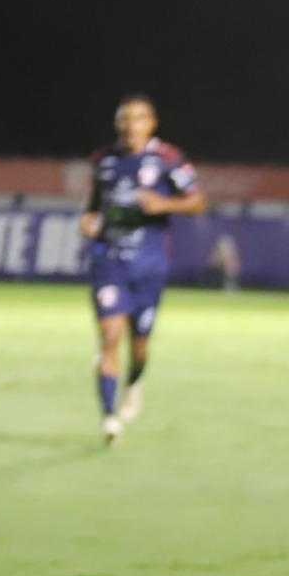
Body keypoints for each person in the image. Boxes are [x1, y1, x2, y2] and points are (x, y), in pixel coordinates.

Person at [80, 95, 206, 446]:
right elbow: (93, 206)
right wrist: (89, 222)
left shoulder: (168, 159)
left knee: (139, 347)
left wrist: (164, 204)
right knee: (109, 336)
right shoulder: (103, 160)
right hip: (108, 261)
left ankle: (133, 383)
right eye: (124, 119)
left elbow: (198, 201)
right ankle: (109, 419)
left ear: (152, 123)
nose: (129, 126)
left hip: (148, 267)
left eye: (137, 119)